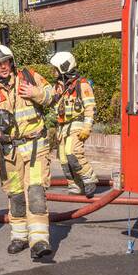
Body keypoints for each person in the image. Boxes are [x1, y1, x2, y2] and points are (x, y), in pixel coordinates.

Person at [0, 44, 55, 261]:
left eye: (5, 62)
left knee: (35, 193)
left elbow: (53, 96)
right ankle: (19, 237)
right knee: (15, 196)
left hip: (35, 148)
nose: (3, 67)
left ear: (11, 61)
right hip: (9, 153)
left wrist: (36, 93)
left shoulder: (30, 77)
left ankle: (39, 241)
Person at [50, 51, 98, 198]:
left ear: (64, 67)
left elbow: (90, 107)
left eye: (55, 68)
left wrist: (87, 127)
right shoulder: (58, 86)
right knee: (64, 159)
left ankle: (89, 179)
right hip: (62, 127)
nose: (53, 71)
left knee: (72, 153)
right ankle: (75, 185)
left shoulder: (82, 85)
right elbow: (51, 102)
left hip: (77, 124)